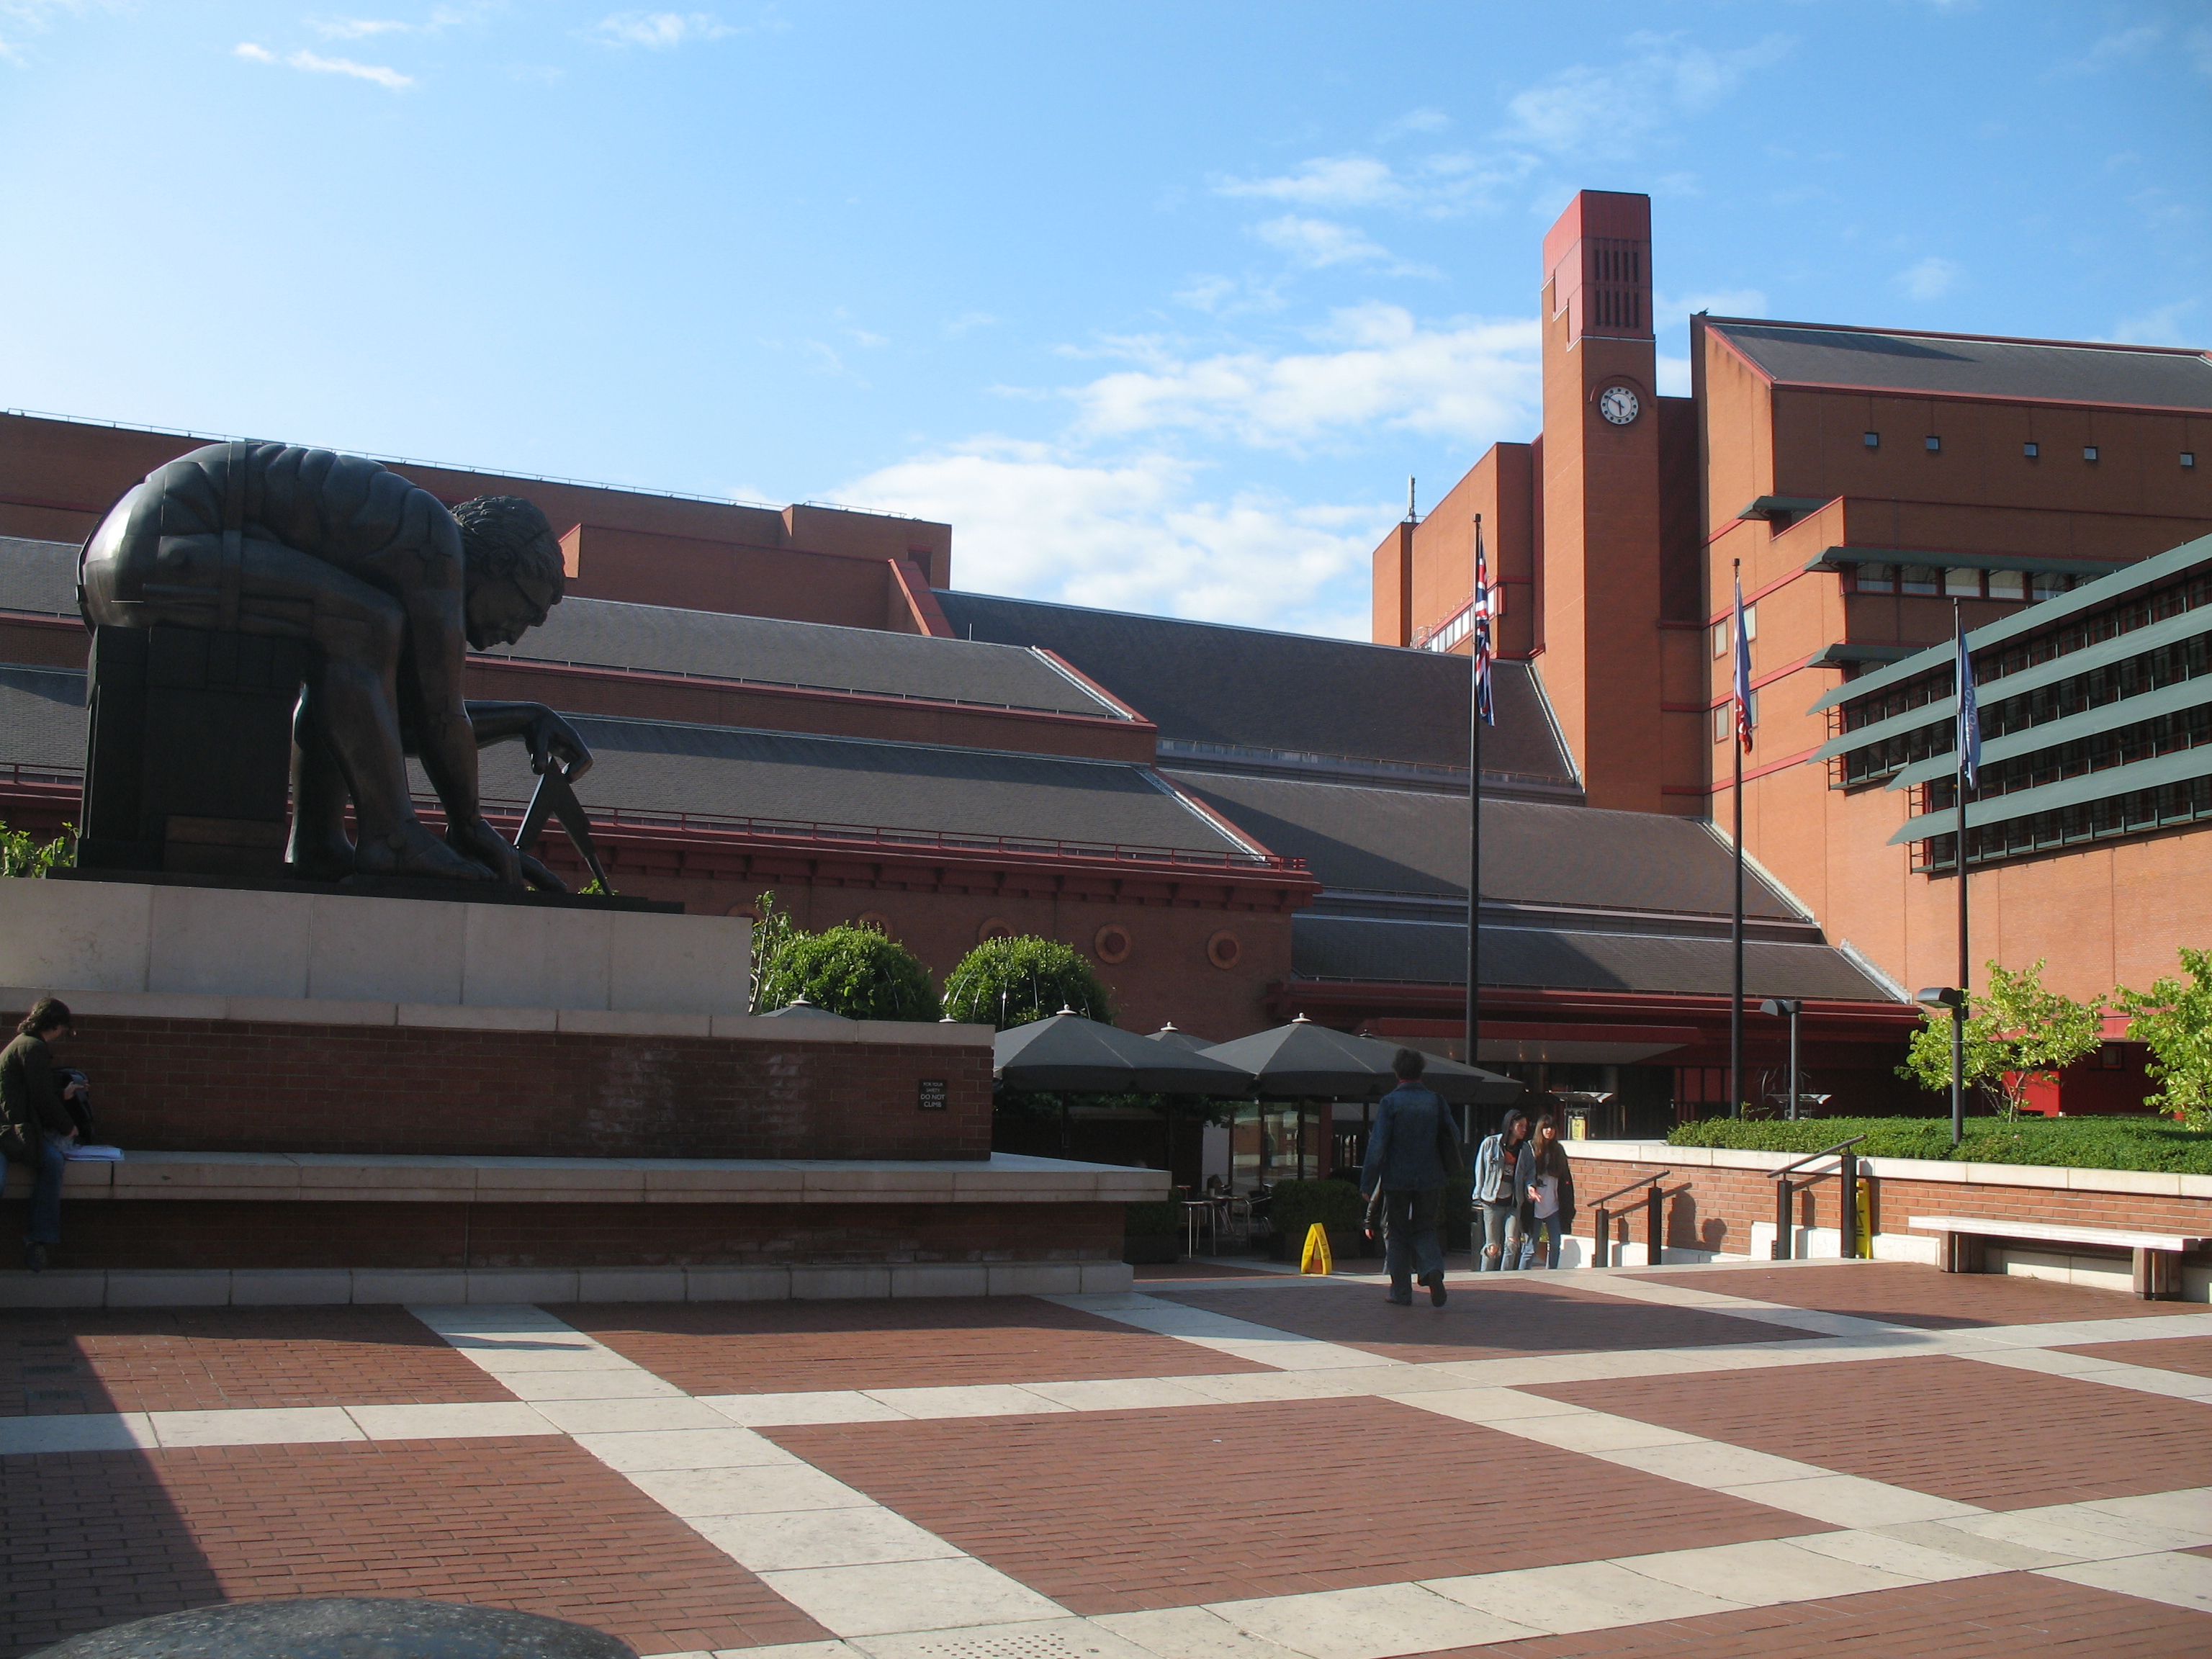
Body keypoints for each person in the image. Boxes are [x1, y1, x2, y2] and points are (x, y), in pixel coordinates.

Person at [79, 441, 588, 885]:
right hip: (163, 550)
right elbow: (438, 716)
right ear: (500, 564)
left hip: (123, 559)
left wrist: (522, 718)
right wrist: (470, 825)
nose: (515, 634)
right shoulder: (436, 545)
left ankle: (318, 843)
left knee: (347, 645)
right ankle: (392, 839)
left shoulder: (410, 541)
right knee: (362, 626)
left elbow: (382, 724)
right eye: (527, 611)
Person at [1359, 1048, 1463, 1307]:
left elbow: (1377, 1146)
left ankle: (1401, 1292)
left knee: (1396, 1234)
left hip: (1397, 1178)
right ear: (1421, 1072)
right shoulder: (1436, 1101)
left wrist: (1368, 1183)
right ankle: (1432, 1270)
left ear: (1397, 1073)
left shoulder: (1390, 1102)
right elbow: (1455, 1136)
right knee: (1425, 1228)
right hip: (1431, 1176)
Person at [2, 998, 85, 1272]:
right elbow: (40, 1097)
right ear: (57, 1025)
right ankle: (38, 1239)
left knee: (51, 1162)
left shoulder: (23, 1044)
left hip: (13, 1128)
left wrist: (62, 1095)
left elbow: (28, 1093)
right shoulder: (34, 1048)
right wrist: (67, 1126)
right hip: (10, 1131)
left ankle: (39, 1238)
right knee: (53, 1163)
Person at [1471, 1105, 1532, 1272]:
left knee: (1512, 1242)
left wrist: (1531, 1187)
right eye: (1520, 1126)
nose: (1524, 1130)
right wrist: (1478, 1195)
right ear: (1511, 1126)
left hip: (1513, 1203)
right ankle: (1484, 1277)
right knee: (1493, 1246)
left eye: (1526, 1126)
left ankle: (1505, 1276)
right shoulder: (1490, 1144)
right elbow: (1480, 1170)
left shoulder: (1525, 1149)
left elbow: (1530, 1173)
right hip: (1492, 1202)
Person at [1517, 1110, 1578, 1269]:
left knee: (1556, 1244)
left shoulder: (1558, 1151)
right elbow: (1523, 1175)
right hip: (1534, 1206)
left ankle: (1551, 1273)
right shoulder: (1530, 1148)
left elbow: (1566, 1180)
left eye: (1552, 1127)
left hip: (1553, 1206)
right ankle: (1521, 1274)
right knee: (1531, 1247)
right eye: (1545, 1127)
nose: (1549, 1131)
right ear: (1540, 1129)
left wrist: (1568, 1204)